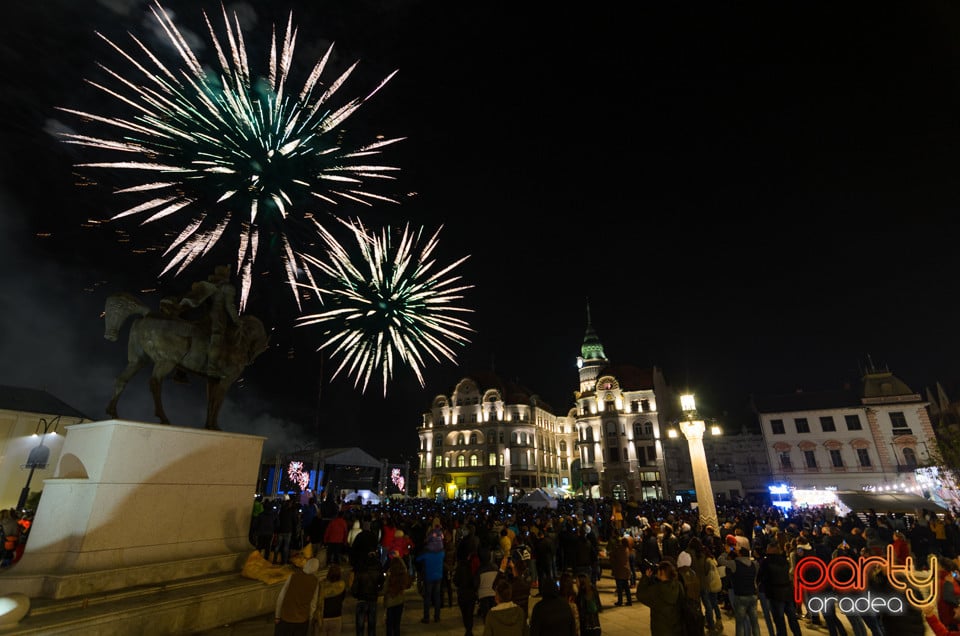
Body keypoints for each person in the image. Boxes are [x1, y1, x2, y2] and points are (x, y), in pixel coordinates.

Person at [178, 264, 241, 377]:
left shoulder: (209, 284)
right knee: (217, 337)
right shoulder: (227, 287)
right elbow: (229, 306)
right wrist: (237, 321)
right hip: (218, 315)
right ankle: (212, 367)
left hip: (206, 313)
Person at [757, 543, 801, 636]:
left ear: (770, 549)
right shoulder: (783, 560)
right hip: (787, 592)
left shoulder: (766, 562)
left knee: (779, 620)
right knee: (792, 618)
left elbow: (761, 577)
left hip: (775, 593)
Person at [635, 559, 683, 636]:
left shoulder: (657, 589)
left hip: (660, 629)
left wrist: (646, 578)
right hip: (676, 627)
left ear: (662, 572)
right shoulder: (678, 585)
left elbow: (640, 595)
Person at [274, 557, 320, 636]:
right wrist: (310, 617)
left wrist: (277, 615)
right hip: (302, 620)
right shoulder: (315, 582)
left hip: (286, 617)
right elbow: (313, 603)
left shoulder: (293, 576)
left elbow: (281, 597)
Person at [727, 546, 761, 636]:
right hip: (753, 595)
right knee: (754, 622)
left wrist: (728, 551)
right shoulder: (754, 564)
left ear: (740, 554)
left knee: (740, 623)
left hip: (741, 595)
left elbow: (720, 560)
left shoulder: (734, 563)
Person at [351, 551, 385, 636]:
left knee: (360, 626)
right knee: (372, 625)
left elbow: (354, 589)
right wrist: (377, 590)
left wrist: (357, 595)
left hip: (361, 600)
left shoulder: (360, 572)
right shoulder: (377, 572)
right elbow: (382, 583)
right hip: (372, 599)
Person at [415, 535, 446, 623]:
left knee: (427, 596)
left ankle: (426, 617)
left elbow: (418, 559)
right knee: (437, 596)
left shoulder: (426, 550)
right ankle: (437, 616)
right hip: (438, 575)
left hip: (428, 575)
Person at [453, 543, 480, 636]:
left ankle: (468, 629)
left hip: (462, 594)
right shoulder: (471, 567)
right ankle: (469, 629)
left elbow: (455, 581)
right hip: (471, 593)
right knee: (470, 613)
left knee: (465, 613)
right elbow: (475, 580)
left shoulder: (459, 568)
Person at [316, 563, 347, 636]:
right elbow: (342, 598)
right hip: (337, 616)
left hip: (323, 617)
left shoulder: (322, 585)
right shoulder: (342, 585)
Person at [383, 556, 411, 636]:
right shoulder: (403, 575)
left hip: (390, 602)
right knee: (397, 624)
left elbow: (385, 589)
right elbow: (407, 585)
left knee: (389, 624)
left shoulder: (390, 574)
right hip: (400, 601)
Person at [609, 535, 633, 606]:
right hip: (626, 570)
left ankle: (620, 601)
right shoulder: (627, 549)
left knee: (619, 587)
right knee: (626, 587)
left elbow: (612, 556)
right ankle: (629, 600)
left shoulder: (618, 549)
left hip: (619, 570)